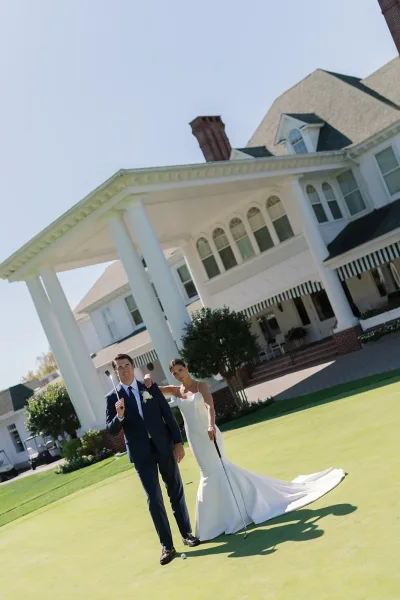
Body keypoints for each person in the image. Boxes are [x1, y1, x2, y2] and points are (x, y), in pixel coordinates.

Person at [144, 358, 346, 542]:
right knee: (208, 472)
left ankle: (227, 518)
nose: (179, 374)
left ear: (187, 368)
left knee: (220, 470)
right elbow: (151, 388)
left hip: (210, 433)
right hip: (195, 440)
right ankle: (220, 519)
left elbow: (209, 407)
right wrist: (146, 378)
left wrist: (211, 425)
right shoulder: (176, 390)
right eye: (175, 373)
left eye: (181, 370)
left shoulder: (201, 385)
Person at [105, 353, 200, 565]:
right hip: (141, 454)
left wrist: (178, 442)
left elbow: (167, 414)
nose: (125, 369)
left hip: (164, 447)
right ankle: (167, 546)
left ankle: (186, 534)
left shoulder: (149, 386)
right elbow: (111, 430)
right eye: (120, 367)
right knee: (154, 498)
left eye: (127, 365)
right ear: (116, 372)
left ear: (132, 366)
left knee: (175, 490)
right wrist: (119, 415)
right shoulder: (113, 398)